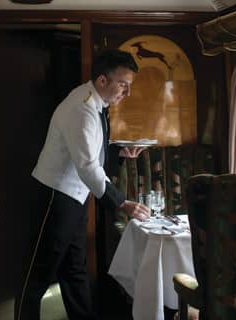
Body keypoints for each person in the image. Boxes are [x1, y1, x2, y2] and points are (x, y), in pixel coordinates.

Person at [14, 49, 151, 320]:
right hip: (55, 196)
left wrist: (118, 153)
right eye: (123, 85)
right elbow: (87, 164)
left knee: (74, 269)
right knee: (37, 274)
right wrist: (121, 202)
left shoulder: (96, 102)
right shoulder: (81, 108)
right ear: (102, 80)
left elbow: (90, 150)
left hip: (75, 197)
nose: (127, 93)